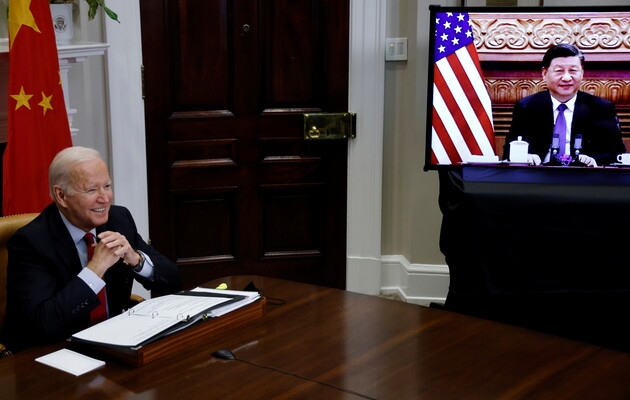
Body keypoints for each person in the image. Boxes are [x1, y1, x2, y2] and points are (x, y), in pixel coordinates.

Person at [2, 146, 182, 352]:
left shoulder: (119, 219)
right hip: (55, 352)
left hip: (115, 342)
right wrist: (95, 269)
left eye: (107, 186)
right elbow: (41, 324)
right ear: (61, 195)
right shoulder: (31, 242)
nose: (105, 198)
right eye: (91, 190)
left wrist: (136, 259)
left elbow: (174, 282)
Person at [504, 44, 626, 167]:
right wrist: (526, 157)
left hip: (585, 175)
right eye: (559, 71)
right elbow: (509, 150)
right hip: (539, 174)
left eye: (573, 71)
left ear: (582, 73)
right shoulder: (526, 106)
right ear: (544, 73)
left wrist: (594, 161)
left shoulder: (601, 108)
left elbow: (616, 153)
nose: (567, 78)